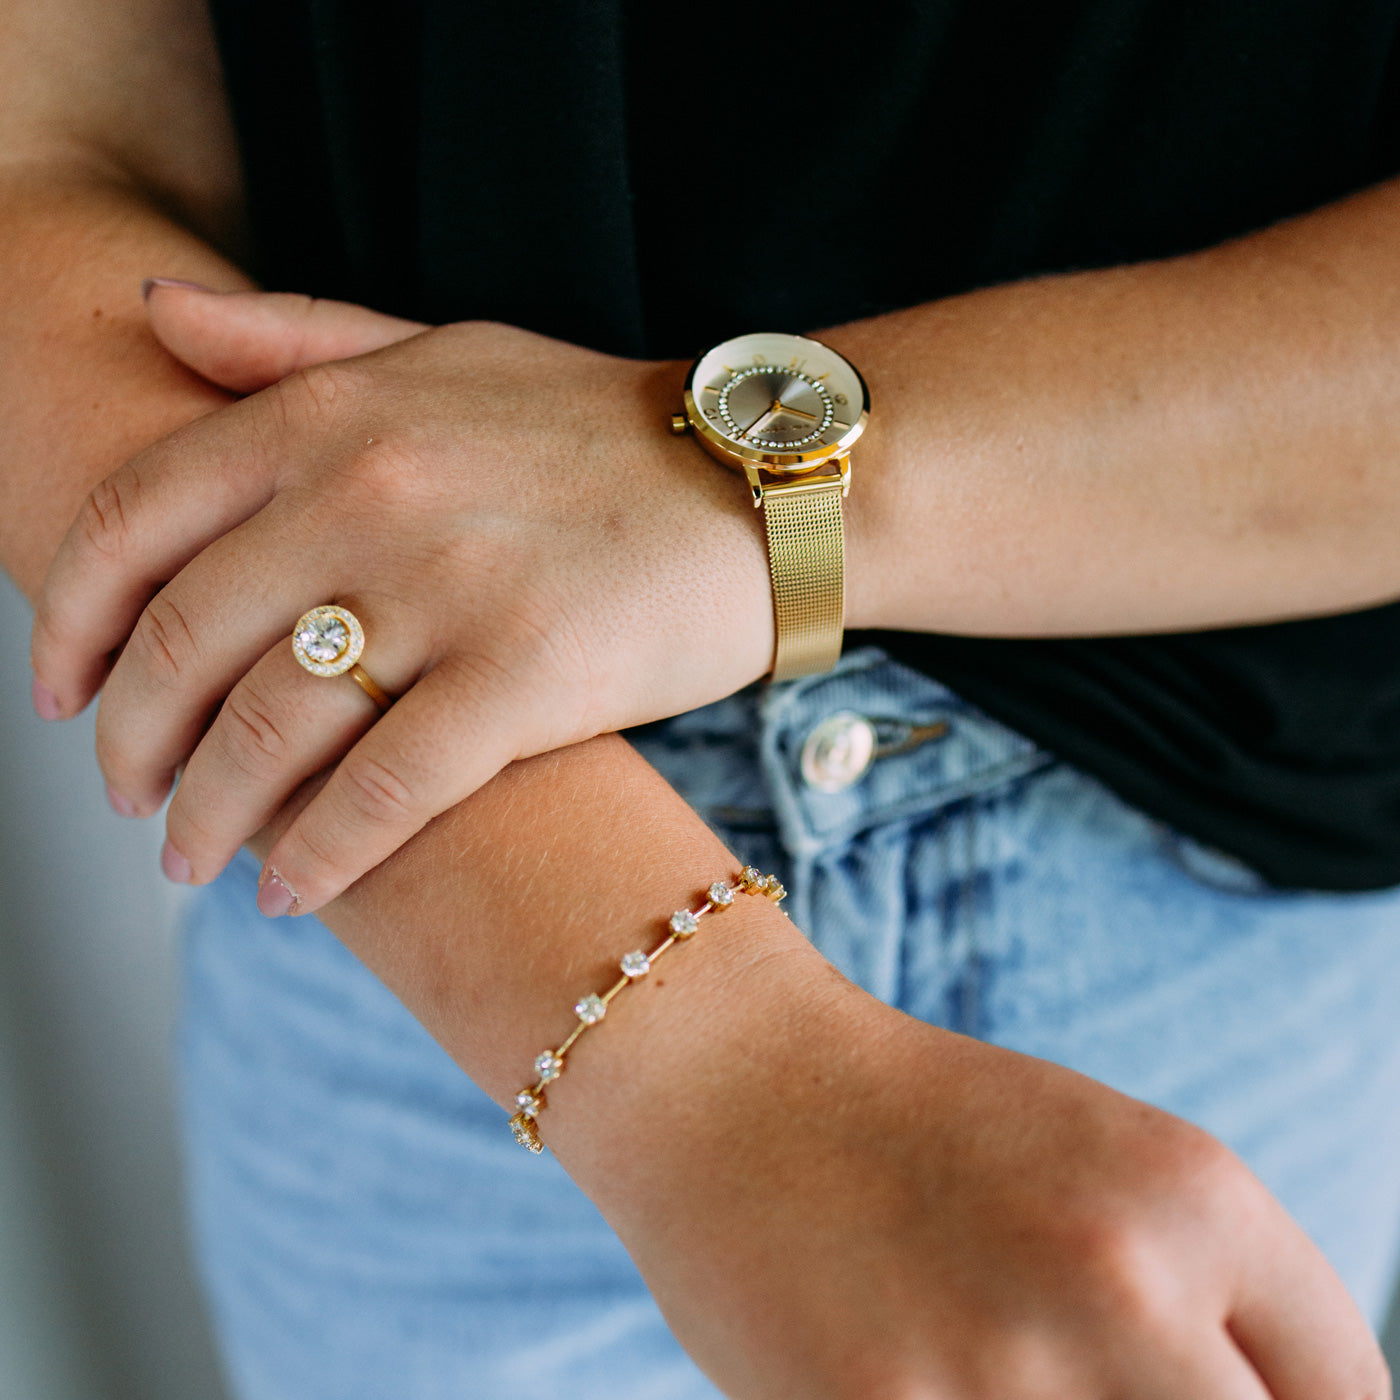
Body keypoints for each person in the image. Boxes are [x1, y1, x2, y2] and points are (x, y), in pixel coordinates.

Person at [5, 0, 1400, 1396]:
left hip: (1217, 899)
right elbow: (44, 166)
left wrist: (746, 495)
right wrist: (710, 1059)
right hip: (437, 903)